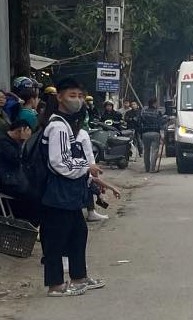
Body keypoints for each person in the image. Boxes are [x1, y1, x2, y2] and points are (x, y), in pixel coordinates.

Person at [40, 77, 106, 297]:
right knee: (56, 239)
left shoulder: (67, 124)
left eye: (79, 96)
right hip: (57, 192)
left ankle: (79, 277)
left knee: (78, 233)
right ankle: (56, 285)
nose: (77, 100)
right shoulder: (58, 126)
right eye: (72, 96)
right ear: (59, 97)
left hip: (68, 192)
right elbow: (60, 163)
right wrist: (87, 167)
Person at [138, 97, 165, 173]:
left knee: (146, 151)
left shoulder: (143, 112)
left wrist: (140, 132)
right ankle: (152, 169)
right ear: (154, 103)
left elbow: (139, 122)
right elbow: (161, 122)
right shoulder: (157, 112)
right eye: (157, 103)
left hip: (145, 133)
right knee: (154, 151)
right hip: (155, 133)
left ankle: (147, 168)